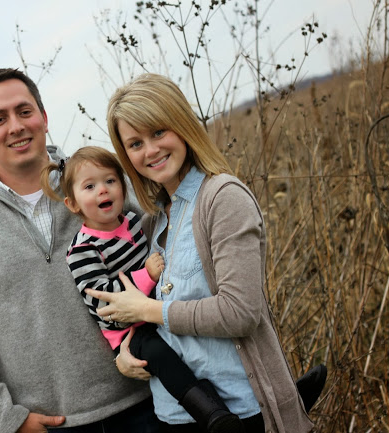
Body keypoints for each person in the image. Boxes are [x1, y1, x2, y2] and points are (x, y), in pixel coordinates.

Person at [0, 68, 159, 433]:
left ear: (44, 118)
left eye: (24, 111)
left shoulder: (102, 180)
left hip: (145, 400)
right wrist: (7, 419)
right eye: (0, 119)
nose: (16, 126)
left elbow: (163, 239)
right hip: (49, 425)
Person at [84, 73, 316, 433]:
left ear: (182, 124)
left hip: (240, 413)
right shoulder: (151, 223)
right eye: (135, 143)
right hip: (173, 416)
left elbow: (240, 312)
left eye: (159, 132)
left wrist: (149, 309)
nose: (150, 150)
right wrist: (124, 355)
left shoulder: (222, 199)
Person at [40, 146, 244, 433]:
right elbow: (104, 304)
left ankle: (256, 399)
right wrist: (146, 276)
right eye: (90, 186)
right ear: (72, 204)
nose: (103, 190)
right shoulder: (83, 250)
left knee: (195, 340)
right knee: (159, 354)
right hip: (128, 332)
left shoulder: (135, 223)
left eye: (110, 181)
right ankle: (210, 413)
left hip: (155, 311)